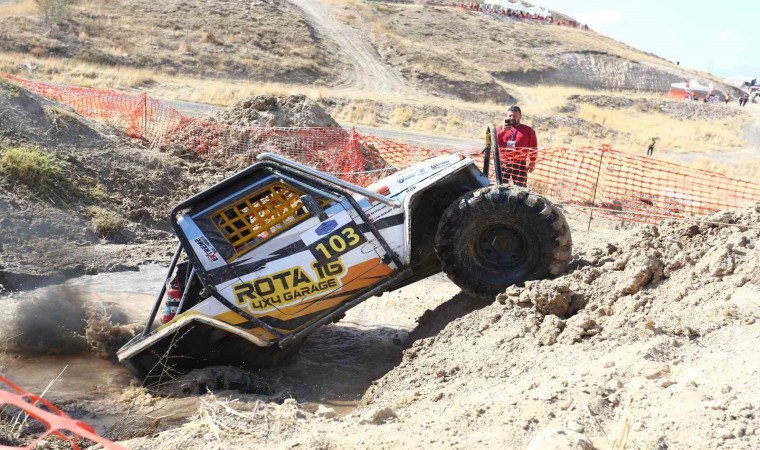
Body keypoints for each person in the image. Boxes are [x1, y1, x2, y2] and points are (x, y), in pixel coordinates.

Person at [496, 106, 537, 187]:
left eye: (515, 116)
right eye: (510, 116)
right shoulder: (500, 128)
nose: (512, 118)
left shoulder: (528, 130)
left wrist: (532, 162)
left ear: (520, 116)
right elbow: (492, 141)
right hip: (503, 163)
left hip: (520, 163)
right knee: (500, 187)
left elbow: (533, 147)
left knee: (521, 188)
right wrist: (502, 132)